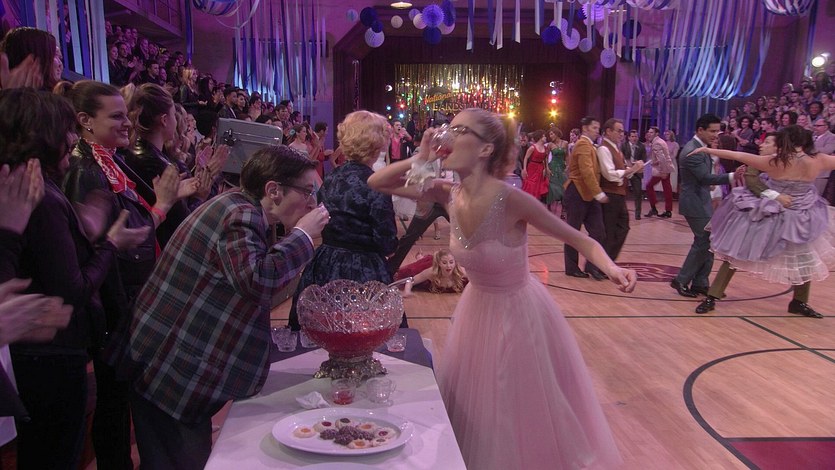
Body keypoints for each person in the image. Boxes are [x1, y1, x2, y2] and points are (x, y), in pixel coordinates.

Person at [368, 107, 635, 470]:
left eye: (459, 131)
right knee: (478, 408)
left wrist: (613, 268)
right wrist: (422, 157)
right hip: (477, 310)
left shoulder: (511, 200)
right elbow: (378, 182)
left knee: (514, 408)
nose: (448, 136)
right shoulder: (448, 193)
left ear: (485, 149)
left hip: (519, 314)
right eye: (449, 129)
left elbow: (580, 240)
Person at [117, 146, 328, 469]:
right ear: (273, 190)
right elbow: (257, 281)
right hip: (169, 369)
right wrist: (302, 236)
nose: (312, 203)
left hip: (168, 362)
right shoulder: (239, 215)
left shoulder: (237, 206)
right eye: (307, 192)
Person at [1, 88, 148, 469]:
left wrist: (86, 237)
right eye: (65, 129)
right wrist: (109, 245)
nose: (71, 139)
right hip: (50, 356)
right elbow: (73, 290)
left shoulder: (37, 189)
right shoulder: (40, 196)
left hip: (40, 353)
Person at [64, 80, 184, 469]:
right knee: (113, 401)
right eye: (116, 116)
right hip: (110, 300)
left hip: (126, 294)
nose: (127, 123)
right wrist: (162, 207)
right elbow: (111, 241)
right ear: (85, 120)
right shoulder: (85, 170)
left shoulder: (109, 160)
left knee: (119, 399)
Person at [691, 126, 835, 316]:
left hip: (783, 213)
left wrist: (707, 149)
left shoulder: (776, 161)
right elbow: (740, 157)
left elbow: (738, 155)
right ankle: (798, 302)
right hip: (792, 213)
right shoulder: (817, 159)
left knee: (742, 253)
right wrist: (709, 150)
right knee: (801, 256)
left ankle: (713, 297)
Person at [288, 110, 400, 331]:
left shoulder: (332, 177)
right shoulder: (376, 183)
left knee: (321, 332)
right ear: (377, 143)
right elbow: (386, 241)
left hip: (325, 263)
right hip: (363, 271)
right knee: (363, 336)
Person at [671, 114, 738, 298]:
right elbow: (704, 178)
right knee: (704, 241)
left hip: (701, 201)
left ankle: (700, 283)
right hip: (694, 203)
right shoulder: (692, 150)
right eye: (712, 131)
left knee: (708, 242)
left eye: (718, 131)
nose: (716, 135)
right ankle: (681, 280)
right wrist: (732, 176)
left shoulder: (700, 147)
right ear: (700, 130)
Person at [563, 117, 608, 280]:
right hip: (577, 192)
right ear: (585, 128)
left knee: (598, 232)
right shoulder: (583, 144)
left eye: (598, 128)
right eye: (594, 128)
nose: (597, 131)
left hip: (588, 193)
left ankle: (591, 266)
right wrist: (599, 193)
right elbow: (586, 171)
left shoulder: (590, 145)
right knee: (573, 232)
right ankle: (571, 268)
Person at [597, 118, 645, 261]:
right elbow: (609, 174)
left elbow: (622, 171)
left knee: (622, 228)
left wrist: (634, 169)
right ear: (608, 131)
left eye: (623, 131)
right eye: (619, 131)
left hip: (618, 194)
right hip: (610, 194)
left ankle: (606, 262)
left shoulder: (616, 149)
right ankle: (601, 264)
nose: (622, 134)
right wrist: (631, 170)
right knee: (610, 231)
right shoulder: (604, 149)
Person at [395, 249, 467, 296]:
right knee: (418, 266)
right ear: (439, 263)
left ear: (455, 262)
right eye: (444, 263)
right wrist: (407, 291)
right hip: (428, 267)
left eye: (451, 262)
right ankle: (420, 258)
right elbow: (410, 280)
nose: (448, 266)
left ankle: (421, 258)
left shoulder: (460, 271)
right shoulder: (431, 272)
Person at [644, 126, 675, 218]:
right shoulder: (659, 141)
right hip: (665, 168)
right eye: (649, 132)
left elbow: (662, 158)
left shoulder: (657, 143)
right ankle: (667, 211)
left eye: (651, 132)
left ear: (656, 134)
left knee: (649, 186)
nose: (649, 134)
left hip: (661, 169)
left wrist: (663, 171)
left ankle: (654, 208)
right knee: (667, 189)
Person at [621, 129, 648, 219]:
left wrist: (638, 163)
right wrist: (627, 164)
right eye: (632, 136)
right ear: (629, 137)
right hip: (626, 171)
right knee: (622, 192)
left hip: (637, 172)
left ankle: (637, 214)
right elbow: (621, 157)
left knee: (638, 193)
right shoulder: (624, 145)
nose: (634, 138)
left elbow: (644, 159)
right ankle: (621, 212)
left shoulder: (641, 146)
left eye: (636, 136)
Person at [521, 130, 550, 201]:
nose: (545, 137)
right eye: (544, 136)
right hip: (532, 168)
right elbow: (526, 158)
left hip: (540, 168)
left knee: (538, 185)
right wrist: (524, 169)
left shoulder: (545, 148)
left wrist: (546, 168)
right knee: (531, 184)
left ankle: (536, 200)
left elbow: (545, 159)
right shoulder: (532, 147)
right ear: (540, 137)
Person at [546, 128, 568, 218]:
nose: (550, 136)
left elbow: (567, 156)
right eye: (549, 134)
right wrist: (547, 168)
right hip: (553, 167)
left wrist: (568, 166)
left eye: (552, 134)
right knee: (552, 188)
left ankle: (563, 211)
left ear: (556, 133)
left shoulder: (565, 143)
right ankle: (549, 208)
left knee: (563, 188)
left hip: (562, 168)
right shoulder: (550, 145)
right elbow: (545, 157)